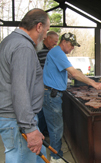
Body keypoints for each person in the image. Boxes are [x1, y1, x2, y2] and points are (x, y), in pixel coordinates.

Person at [42, 32, 101, 163]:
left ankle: (55, 151)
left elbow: (65, 72)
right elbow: (74, 73)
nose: (72, 48)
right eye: (71, 45)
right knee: (56, 127)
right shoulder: (57, 52)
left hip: (52, 94)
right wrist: (93, 83)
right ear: (64, 42)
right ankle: (55, 157)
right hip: (51, 95)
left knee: (55, 126)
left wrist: (68, 75)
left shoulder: (57, 53)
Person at [0, 8, 50, 163]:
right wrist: (29, 128)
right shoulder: (23, 47)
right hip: (18, 121)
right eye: (47, 30)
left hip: (17, 119)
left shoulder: (10, 40)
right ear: (39, 26)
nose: (46, 35)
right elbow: (20, 90)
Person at [37, 31, 59, 136]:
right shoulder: (42, 51)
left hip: (43, 86)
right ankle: (40, 133)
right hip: (41, 86)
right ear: (48, 39)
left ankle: (43, 130)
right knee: (41, 112)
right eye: (54, 42)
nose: (55, 44)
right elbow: (49, 70)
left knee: (42, 111)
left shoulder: (48, 50)